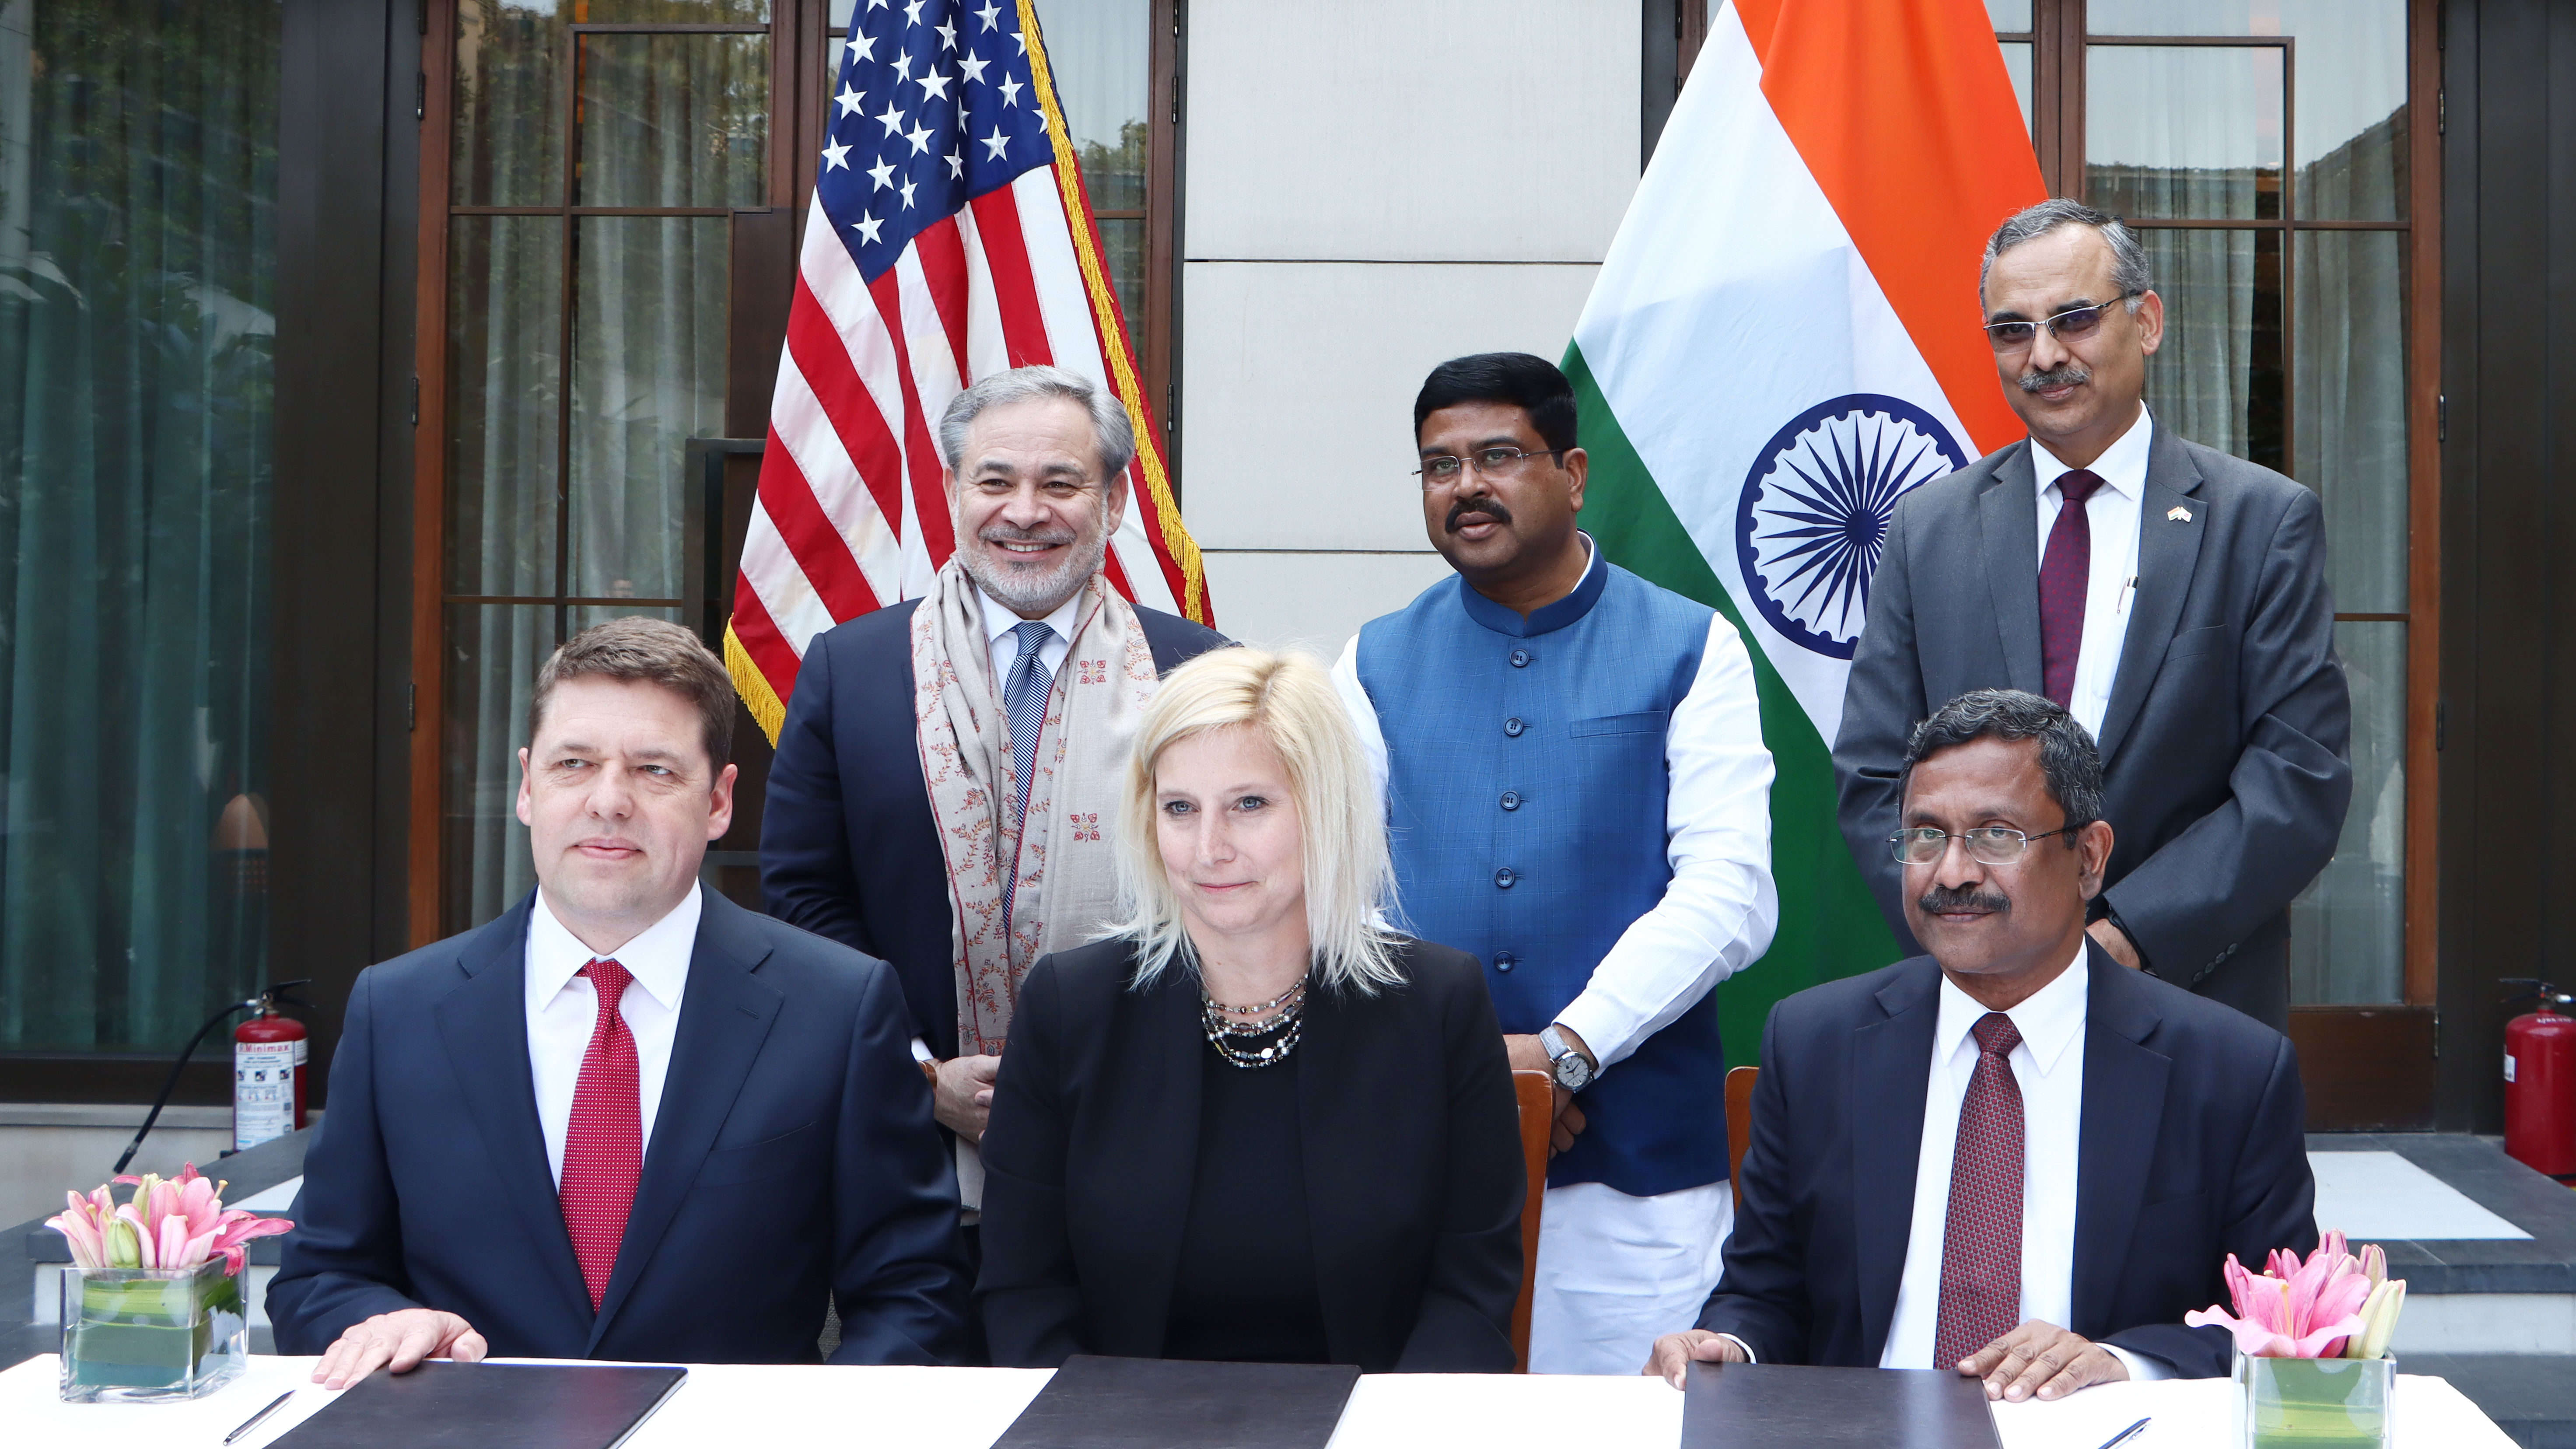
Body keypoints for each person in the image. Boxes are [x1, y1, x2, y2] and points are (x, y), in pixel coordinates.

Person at [269, 618, 968, 1383]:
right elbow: (317, 1279)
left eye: (655, 771)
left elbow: (914, 1296)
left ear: (720, 801)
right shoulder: (397, 1011)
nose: (610, 801)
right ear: (528, 786)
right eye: (576, 764)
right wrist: (385, 1323)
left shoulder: (839, 1007)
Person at [1649, 689, 2317, 1401]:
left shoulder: (2230, 1071)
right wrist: (1731, 1346)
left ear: (2089, 858)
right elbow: (1766, 1293)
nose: (1953, 873)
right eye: (1927, 835)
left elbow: (2282, 1327)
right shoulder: (1816, 1043)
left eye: (1996, 836)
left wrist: (2122, 1364)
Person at [1333, 353, 1778, 1374]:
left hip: (1636, 1180)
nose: (1466, 487)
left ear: (1573, 472)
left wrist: (1562, 1052)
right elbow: (1335, 902)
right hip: (1419, 1158)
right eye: (1438, 467)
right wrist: (1463, 1075)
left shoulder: (1690, 646)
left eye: (1498, 455)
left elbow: (1728, 894)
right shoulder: (1369, 660)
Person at [1835, 199, 2351, 1032]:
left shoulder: (2262, 522)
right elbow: (1871, 775)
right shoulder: (1926, 531)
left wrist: (2127, 936)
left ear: (2145, 322)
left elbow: (2298, 779)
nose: (2043, 355)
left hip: (2189, 999)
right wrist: (1978, 938)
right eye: (2012, 330)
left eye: (2073, 319)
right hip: (1977, 1004)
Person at [760, 366, 1225, 1222]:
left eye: (1061, 483)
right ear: (950, 490)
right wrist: (917, 1072)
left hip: (1150, 1150)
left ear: (1114, 500)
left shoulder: (1200, 674)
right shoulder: (848, 671)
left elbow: (1236, 902)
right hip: (908, 1163)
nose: (1024, 513)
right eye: (995, 481)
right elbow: (803, 900)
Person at [976, 648, 1525, 1372]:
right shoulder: (1070, 1007)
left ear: (1324, 808)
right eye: (1180, 808)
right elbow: (1024, 1293)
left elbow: (1470, 1296)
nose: (1209, 849)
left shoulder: (1437, 1006)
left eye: (1249, 805)